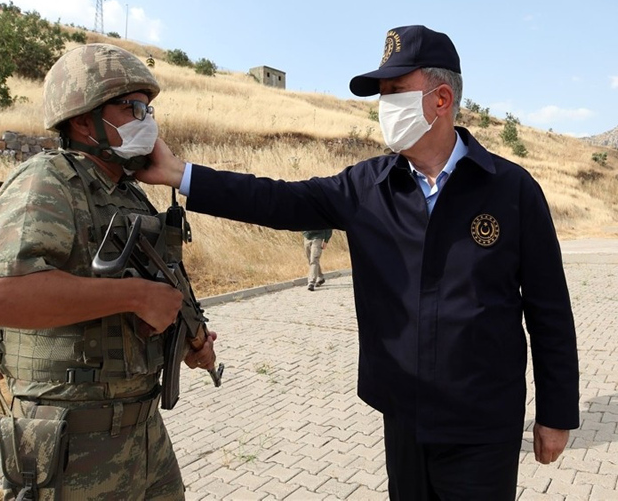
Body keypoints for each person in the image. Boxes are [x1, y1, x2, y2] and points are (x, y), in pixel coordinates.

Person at [137, 25, 579, 499]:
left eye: (394, 92)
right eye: (381, 95)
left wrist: (556, 413)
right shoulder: (368, 187)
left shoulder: (511, 190)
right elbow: (277, 200)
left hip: (482, 423)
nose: (384, 106)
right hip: (403, 417)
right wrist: (181, 175)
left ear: (442, 98)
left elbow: (549, 309)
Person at [0, 43, 217, 500]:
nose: (149, 120)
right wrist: (136, 297)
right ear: (83, 120)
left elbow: (164, 284)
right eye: (133, 107)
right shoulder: (47, 180)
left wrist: (191, 342)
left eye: (150, 109)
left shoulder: (128, 194)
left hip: (143, 434)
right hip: (71, 444)